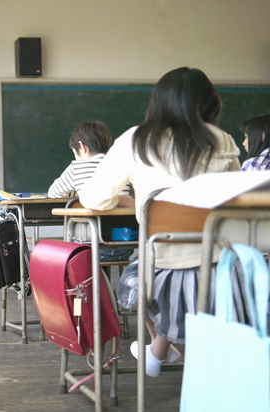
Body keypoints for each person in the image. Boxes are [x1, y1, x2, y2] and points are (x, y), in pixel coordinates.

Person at [79, 67, 241, 377]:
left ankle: (158, 346)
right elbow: (236, 201)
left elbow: (94, 200)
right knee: (187, 274)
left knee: (133, 280)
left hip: (161, 265)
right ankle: (163, 350)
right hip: (221, 267)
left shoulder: (135, 140)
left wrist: (134, 199)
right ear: (209, 103)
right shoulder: (222, 141)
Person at [48, 120, 134, 262]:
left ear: (82, 147)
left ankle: (92, 284)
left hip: (87, 248)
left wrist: (77, 192)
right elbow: (133, 200)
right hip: (125, 247)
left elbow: (53, 193)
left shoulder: (77, 168)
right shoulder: (123, 166)